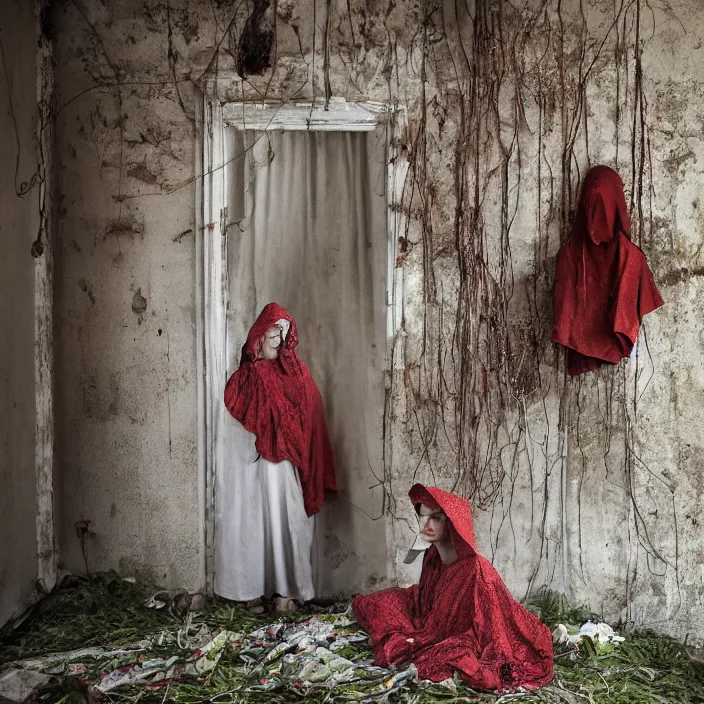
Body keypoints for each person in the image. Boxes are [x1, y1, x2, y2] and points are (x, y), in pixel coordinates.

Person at [352, 484, 554, 691]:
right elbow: (426, 599)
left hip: (472, 630)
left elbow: (488, 627)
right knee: (377, 603)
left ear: (452, 524)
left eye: (436, 518)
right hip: (430, 619)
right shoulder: (431, 556)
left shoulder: (475, 571)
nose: (426, 524)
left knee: (455, 656)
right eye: (423, 516)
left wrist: (432, 637)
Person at [217, 303, 336, 608]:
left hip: (286, 465)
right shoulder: (245, 378)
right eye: (270, 335)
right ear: (258, 338)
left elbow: (310, 411)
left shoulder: (296, 373)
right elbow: (236, 425)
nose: (276, 341)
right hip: (254, 469)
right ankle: (252, 590)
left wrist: (299, 446)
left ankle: (290, 590)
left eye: (280, 336)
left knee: (289, 518)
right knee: (254, 522)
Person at [552, 165, 663, 375]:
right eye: (592, 206)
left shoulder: (631, 257)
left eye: (604, 206)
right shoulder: (569, 256)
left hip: (624, 364)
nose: (597, 218)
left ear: (615, 205)